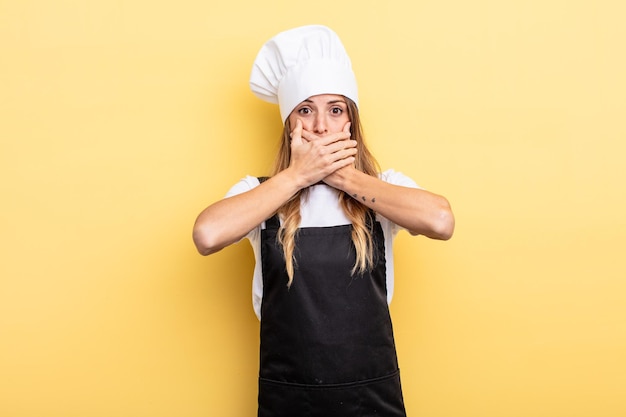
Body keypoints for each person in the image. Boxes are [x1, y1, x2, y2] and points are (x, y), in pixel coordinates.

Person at [193, 25, 454, 417]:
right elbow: (207, 234)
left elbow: (440, 221)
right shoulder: (262, 192)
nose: (320, 126)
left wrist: (342, 176)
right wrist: (299, 176)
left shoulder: (382, 189)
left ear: (351, 120)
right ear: (290, 123)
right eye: (305, 110)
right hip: (290, 397)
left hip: (371, 397)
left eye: (335, 110)